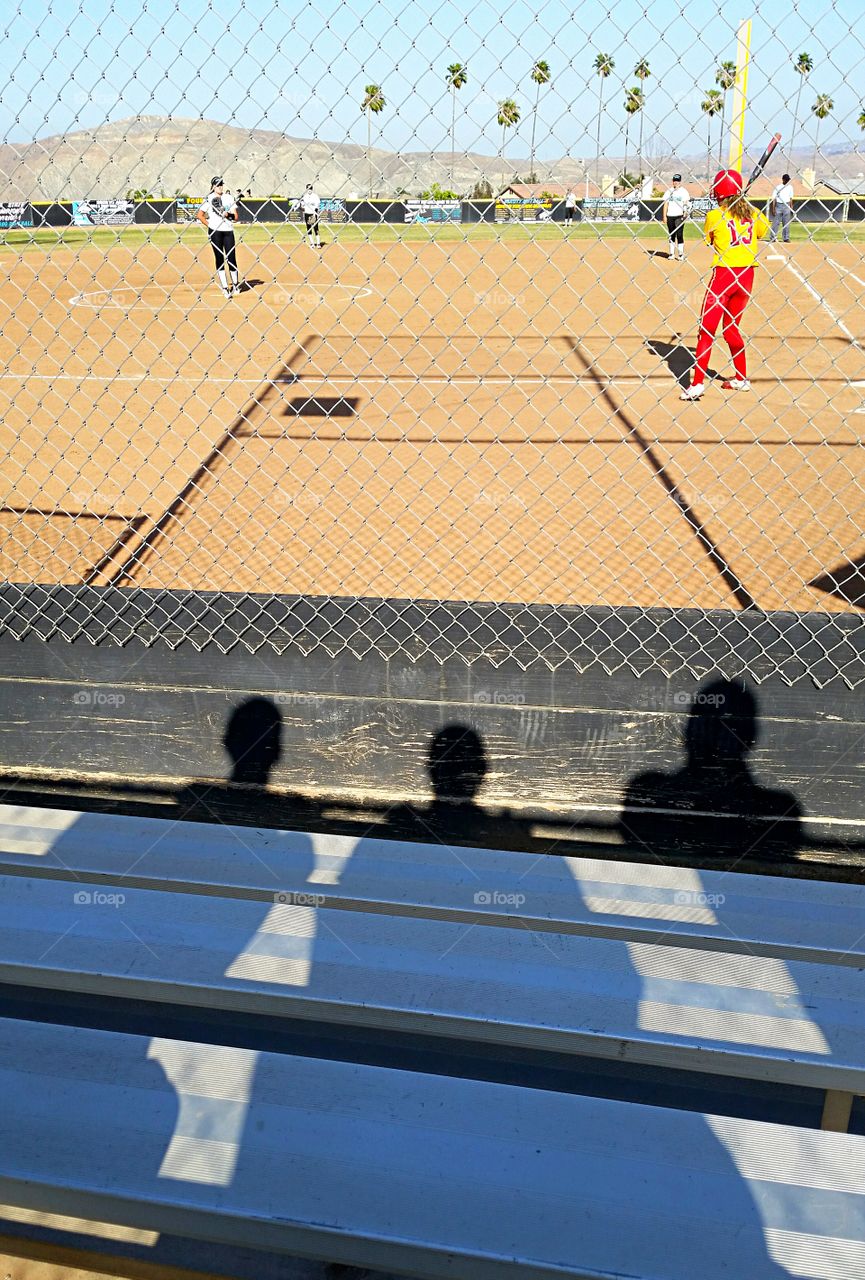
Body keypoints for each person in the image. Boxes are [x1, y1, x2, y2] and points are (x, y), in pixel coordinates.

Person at [680, 169, 771, 401]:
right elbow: (761, 232)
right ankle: (741, 378)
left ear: (720, 192)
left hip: (724, 277)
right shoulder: (755, 213)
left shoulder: (715, 216)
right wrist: (745, 208)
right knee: (731, 328)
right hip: (747, 277)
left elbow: (710, 240)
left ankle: (698, 383)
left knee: (707, 330)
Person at [196, 176, 241, 297]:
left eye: (221, 184)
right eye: (217, 184)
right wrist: (210, 226)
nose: (220, 186)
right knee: (219, 258)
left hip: (228, 231)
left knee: (231, 258)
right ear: (212, 187)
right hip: (215, 232)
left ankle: (235, 285)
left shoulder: (228, 198)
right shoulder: (209, 199)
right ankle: (225, 287)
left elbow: (236, 217)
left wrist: (227, 214)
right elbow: (200, 215)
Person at [661, 173, 690, 260]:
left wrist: (685, 212)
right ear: (672, 181)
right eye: (674, 181)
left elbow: (685, 202)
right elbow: (665, 204)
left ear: (680, 182)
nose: (676, 182)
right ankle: (671, 253)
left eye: (677, 181)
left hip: (679, 215)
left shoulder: (683, 191)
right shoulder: (668, 191)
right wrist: (664, 216)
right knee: (671, 234)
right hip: (670, 215)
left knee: (679, 234)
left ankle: (680, 254)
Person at [770, 172, 795, 243]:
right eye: (786, 180)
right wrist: (773, 208)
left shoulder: (790, 187)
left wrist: (791, 208)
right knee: (776, 223)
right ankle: (773, 237)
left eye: (788, 180)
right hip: (779, 205)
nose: (787, 181)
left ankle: (786, 238)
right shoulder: (778, 187)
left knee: (786, 223)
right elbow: (774, 198)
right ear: (783, 180)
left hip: (787, 205)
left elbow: (791, 199)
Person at [300, 183, 323, 248]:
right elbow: (302, 206)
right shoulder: (304, 196)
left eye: (310, 189)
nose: (309, 190)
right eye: (308, 189)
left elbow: (317, 206)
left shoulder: (315, 196)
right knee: (309, 229)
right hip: (307, 213)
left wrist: (315, 214)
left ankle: (318, 243)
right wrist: (300, 206)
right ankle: (312, 243)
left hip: (313, 214)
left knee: (316, 228)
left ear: (312, 189)